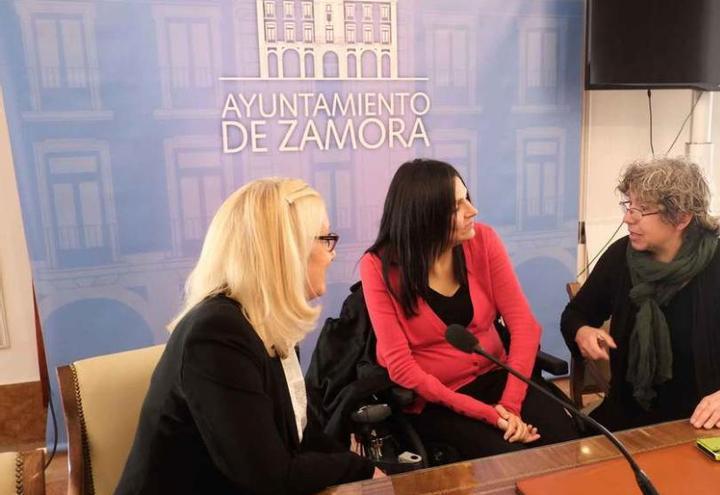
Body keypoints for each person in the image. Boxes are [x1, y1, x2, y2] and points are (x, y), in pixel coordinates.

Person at [116, 178, 374, 495]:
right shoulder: (215, 336)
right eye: (325, 239)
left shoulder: (264, 323)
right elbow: (271, 479)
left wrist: (367, 469)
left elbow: (299, 433)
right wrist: (358, 468)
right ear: (286, 250)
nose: (331, 254)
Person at [561, 157, 720, 432]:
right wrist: (581, 330)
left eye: (642, 209)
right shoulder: (621, 257)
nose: (628, 217)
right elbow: (576, 314)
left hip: (708, 420)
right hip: (630, 414)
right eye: (629, 205)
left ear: (681, 218)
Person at [360, 159, 580, 461]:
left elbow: (526, 327)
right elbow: (400, 366)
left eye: (467, 198)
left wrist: (510, 405)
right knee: (509, 460)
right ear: (424, 216)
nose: (472, 210)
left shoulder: (483, 240)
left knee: (566, 444)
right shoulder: (378, 267)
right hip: (438, 399)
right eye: (456, 206)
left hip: (499, 378)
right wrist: (490, 415)